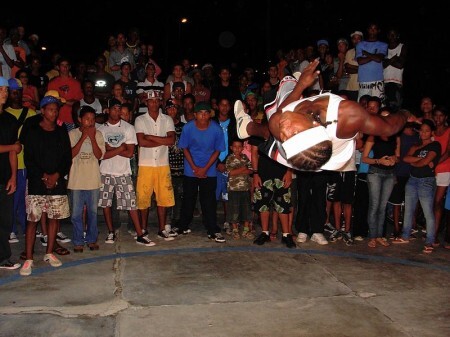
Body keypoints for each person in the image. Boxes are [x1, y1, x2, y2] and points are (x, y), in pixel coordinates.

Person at [234, 59, 415, 172]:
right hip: (328, 154)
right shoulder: (349, 116)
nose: (285, 129)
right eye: (292, 132)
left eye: (286, 136)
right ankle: (294, 81)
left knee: (274, 123)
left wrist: (301, 86)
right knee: (286, 104)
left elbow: (283, 118)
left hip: (297, 157)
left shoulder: (279, 127)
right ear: (313, 125)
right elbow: (391, 127)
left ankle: (246, 127)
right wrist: (405, 114)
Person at [19, 93, 72, 276]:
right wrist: (44, 176)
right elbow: (29, 158)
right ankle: (29, 258)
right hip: (37, 181)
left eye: (56, 110)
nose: (54, 113)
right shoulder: (34, 132)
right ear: (42, 111)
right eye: (50, 109)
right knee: (32, 220)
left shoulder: (61, 131)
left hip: (56, 181)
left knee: (53, 218)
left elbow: (67, 157)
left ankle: (49, 253)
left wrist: (56, 175)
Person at [68, 106, 105, 253]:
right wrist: (84, 137)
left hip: (93, 180)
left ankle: (91, 239)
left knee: (93, 212)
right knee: (76, 213)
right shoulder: (72, 134)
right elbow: (70, 154)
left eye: (92, 119)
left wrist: (92, 138)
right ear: (79, 120)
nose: (90, 122)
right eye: (87, 119)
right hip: (76, 180)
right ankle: (78, 240)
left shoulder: (99, 134)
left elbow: (99, 155)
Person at [0, 76, 22, 270]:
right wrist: (11, 148)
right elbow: (13, 148)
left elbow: (14, 152)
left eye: (6, 90)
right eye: (1, 90)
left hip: (5, 175)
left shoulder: (9, 119)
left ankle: (3, 257)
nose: (5, 93)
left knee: (5, 220)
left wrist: (14, 176)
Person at [225, 139, 254, 240]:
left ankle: (246, 230)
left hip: (245, 188)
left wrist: (239, 170)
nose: (237, 149)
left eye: (239, 146)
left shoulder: (245, 157)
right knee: (234, 210)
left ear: (242, 148)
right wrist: (243, 169)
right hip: (234, 189)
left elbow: (251, 170)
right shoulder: (229, 158)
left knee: (246, 210)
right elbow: (230, 173)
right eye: (235, 146)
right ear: (231, 148)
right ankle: (235, 230)